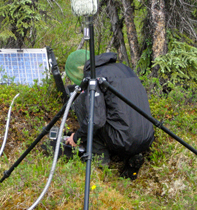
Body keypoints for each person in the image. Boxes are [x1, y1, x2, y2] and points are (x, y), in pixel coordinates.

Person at [64, 50, 155, 180]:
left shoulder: (94, 77)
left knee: (81, 103)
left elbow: (96, 120)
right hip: (146, 137)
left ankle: (100, 159)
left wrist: (77, 137)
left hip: (123, 140)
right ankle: (131, 156)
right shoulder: (124, 68)